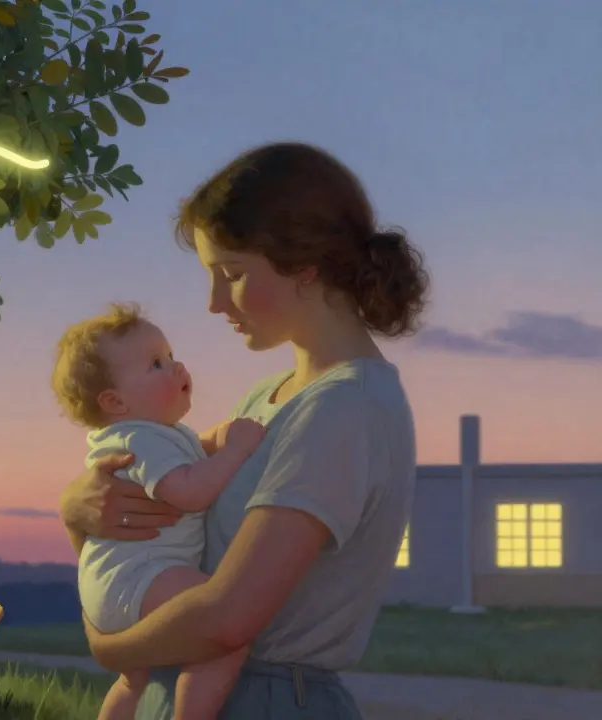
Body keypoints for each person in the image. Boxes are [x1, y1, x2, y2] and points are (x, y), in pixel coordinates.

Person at [57, 141, 428, 719]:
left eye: (231, 274)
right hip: (190, 687)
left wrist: (110, 648)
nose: (212, 303)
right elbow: (169, 532)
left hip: (263, 700)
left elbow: (229, 618)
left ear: (305, 264)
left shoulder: (346, 410)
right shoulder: (269, 398)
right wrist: (85, 515)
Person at [51, 302, 269, 719]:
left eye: (170, 356)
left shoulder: (151, 435)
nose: (177, 367)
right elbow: (189, 491)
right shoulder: (141, 441)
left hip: (116, 581)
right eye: (156, 365)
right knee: (221, 639)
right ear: (115, 401)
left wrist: (218, 438)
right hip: (141, 578)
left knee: (135, 679)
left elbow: (191, 451)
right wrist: (237, 449)